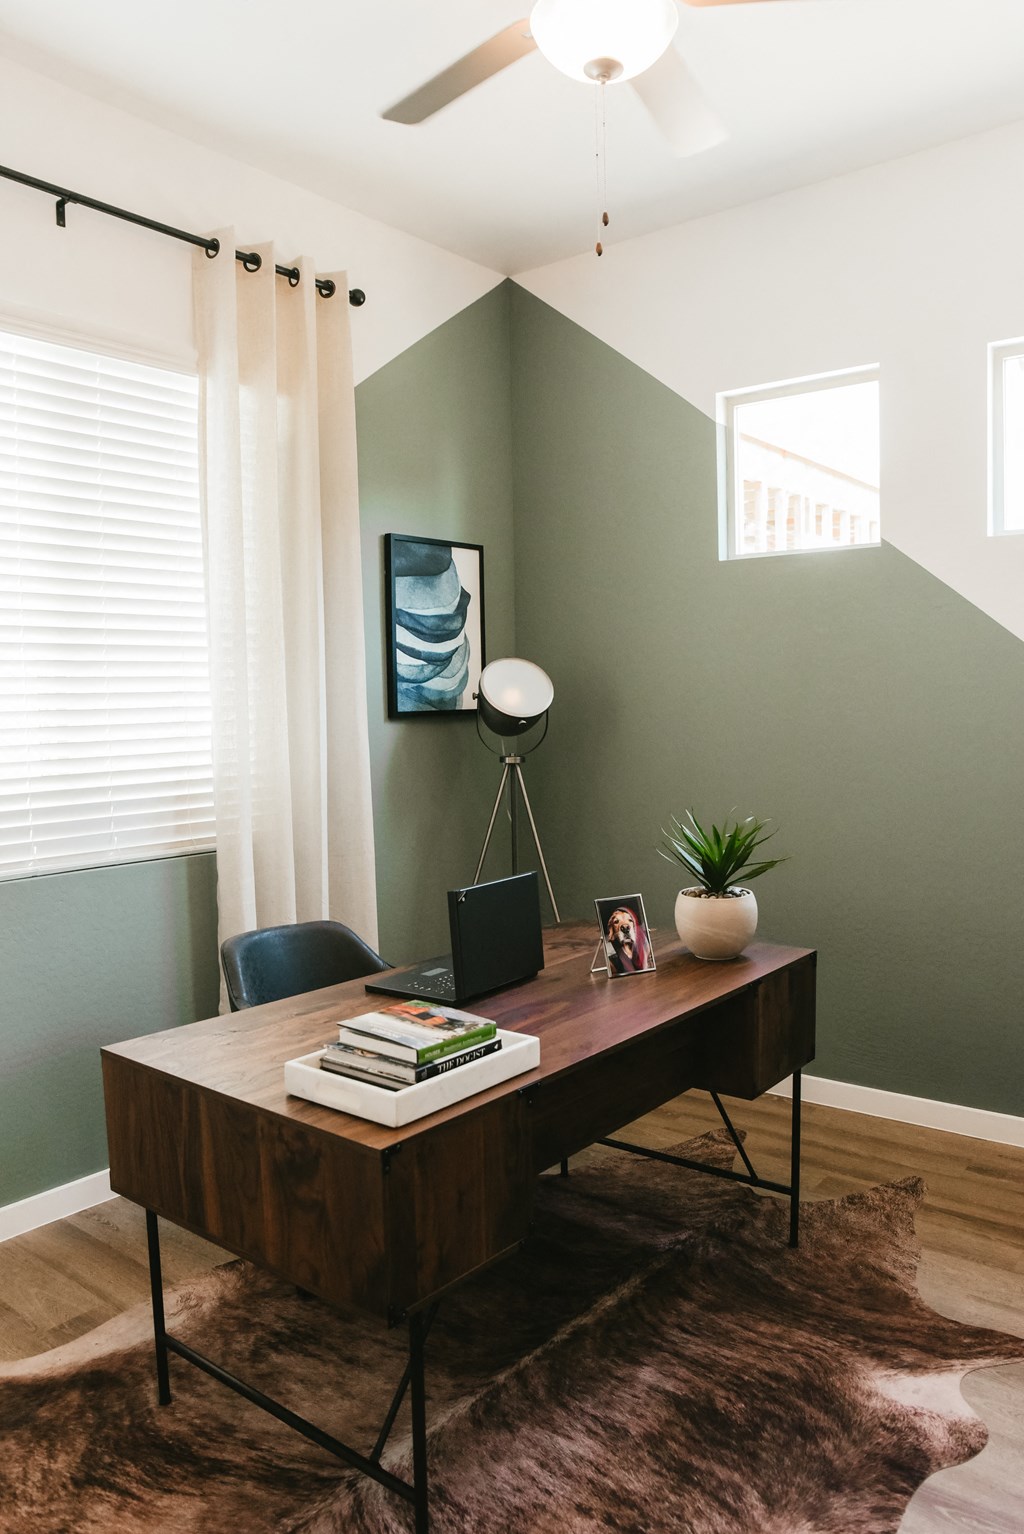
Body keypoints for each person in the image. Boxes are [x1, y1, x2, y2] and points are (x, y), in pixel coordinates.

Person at [604, 905, 651, 975]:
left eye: (630, 920)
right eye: (616, 922)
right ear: (612, 929)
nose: (625, 926)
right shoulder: (612, 959)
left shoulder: (646, 949)